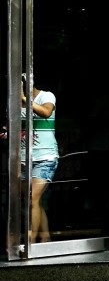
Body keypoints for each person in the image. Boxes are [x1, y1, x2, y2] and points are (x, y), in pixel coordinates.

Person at [21, 77, 58, 243]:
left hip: (45, 158)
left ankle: (31, 244)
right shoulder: (14, 101)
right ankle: (45, 239)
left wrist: (24, 99)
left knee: (32, 199)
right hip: (23, 159)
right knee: (36, 201)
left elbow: (46, 112)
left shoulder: (46, 96)